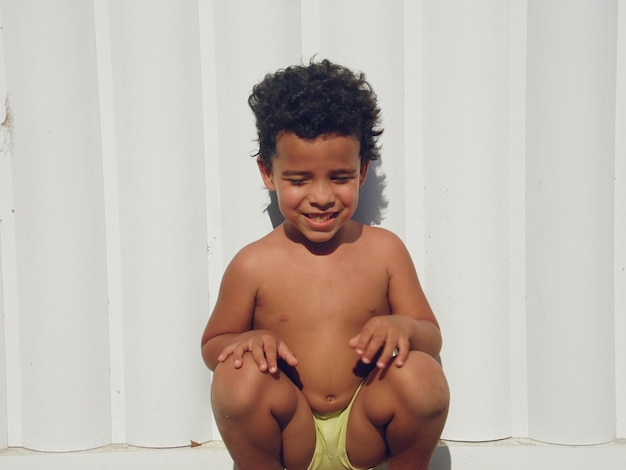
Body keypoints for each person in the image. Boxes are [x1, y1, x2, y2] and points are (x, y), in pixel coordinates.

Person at [201, 59, 449, 470]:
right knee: (236, 377)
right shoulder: (253, 264)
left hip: (362, 428)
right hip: (291, 434)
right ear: (268, 173)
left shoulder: (385, 252)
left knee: (421, 374)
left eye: (339, 177)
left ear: (362, 171)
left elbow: (431, 337)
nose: (321, 196)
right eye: (299, 180)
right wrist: (245, 342)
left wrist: (403, 328)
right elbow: (214, 346)